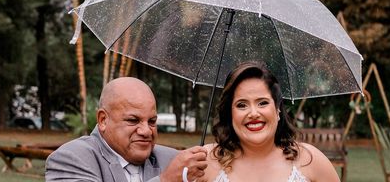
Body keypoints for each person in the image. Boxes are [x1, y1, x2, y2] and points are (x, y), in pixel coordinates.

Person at [199, 61, 339, 182]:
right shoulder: (203, 162)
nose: (253, 113)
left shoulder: (311, 161)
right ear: (230, 113)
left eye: (263, 103)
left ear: (277, 110)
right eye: (242, 105)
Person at [46, 77, 207, 182]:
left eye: (152, 121)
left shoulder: (174, 160)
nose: (146, 131)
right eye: (133, 120)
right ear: (103, 120)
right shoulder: (71, 159)